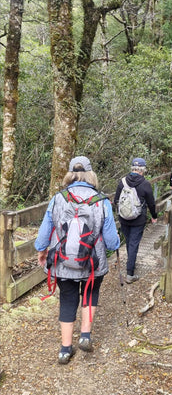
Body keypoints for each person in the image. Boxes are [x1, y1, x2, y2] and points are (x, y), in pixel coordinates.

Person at [35, 156, 120, 365]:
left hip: (62, 262)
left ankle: (65, 349)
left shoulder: (58, 198)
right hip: (93, 263)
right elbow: (111, 241)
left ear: (70, 174)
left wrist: (41, 250)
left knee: (67, 298)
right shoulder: (102, 201)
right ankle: (85, 336)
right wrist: (116, 244)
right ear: (90, 174)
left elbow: (44, 233)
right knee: (91, 292)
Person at [114, 157, 157, 284]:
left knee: (129, 241)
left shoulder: (122, 182)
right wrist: (154, 216)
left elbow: (116, 200)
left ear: (132, 168)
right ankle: (130, 273)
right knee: (134, 243)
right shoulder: (145, 184)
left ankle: (130, 263)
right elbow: (151, 203)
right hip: (138, 219)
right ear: (143, 170)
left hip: (124, 218)